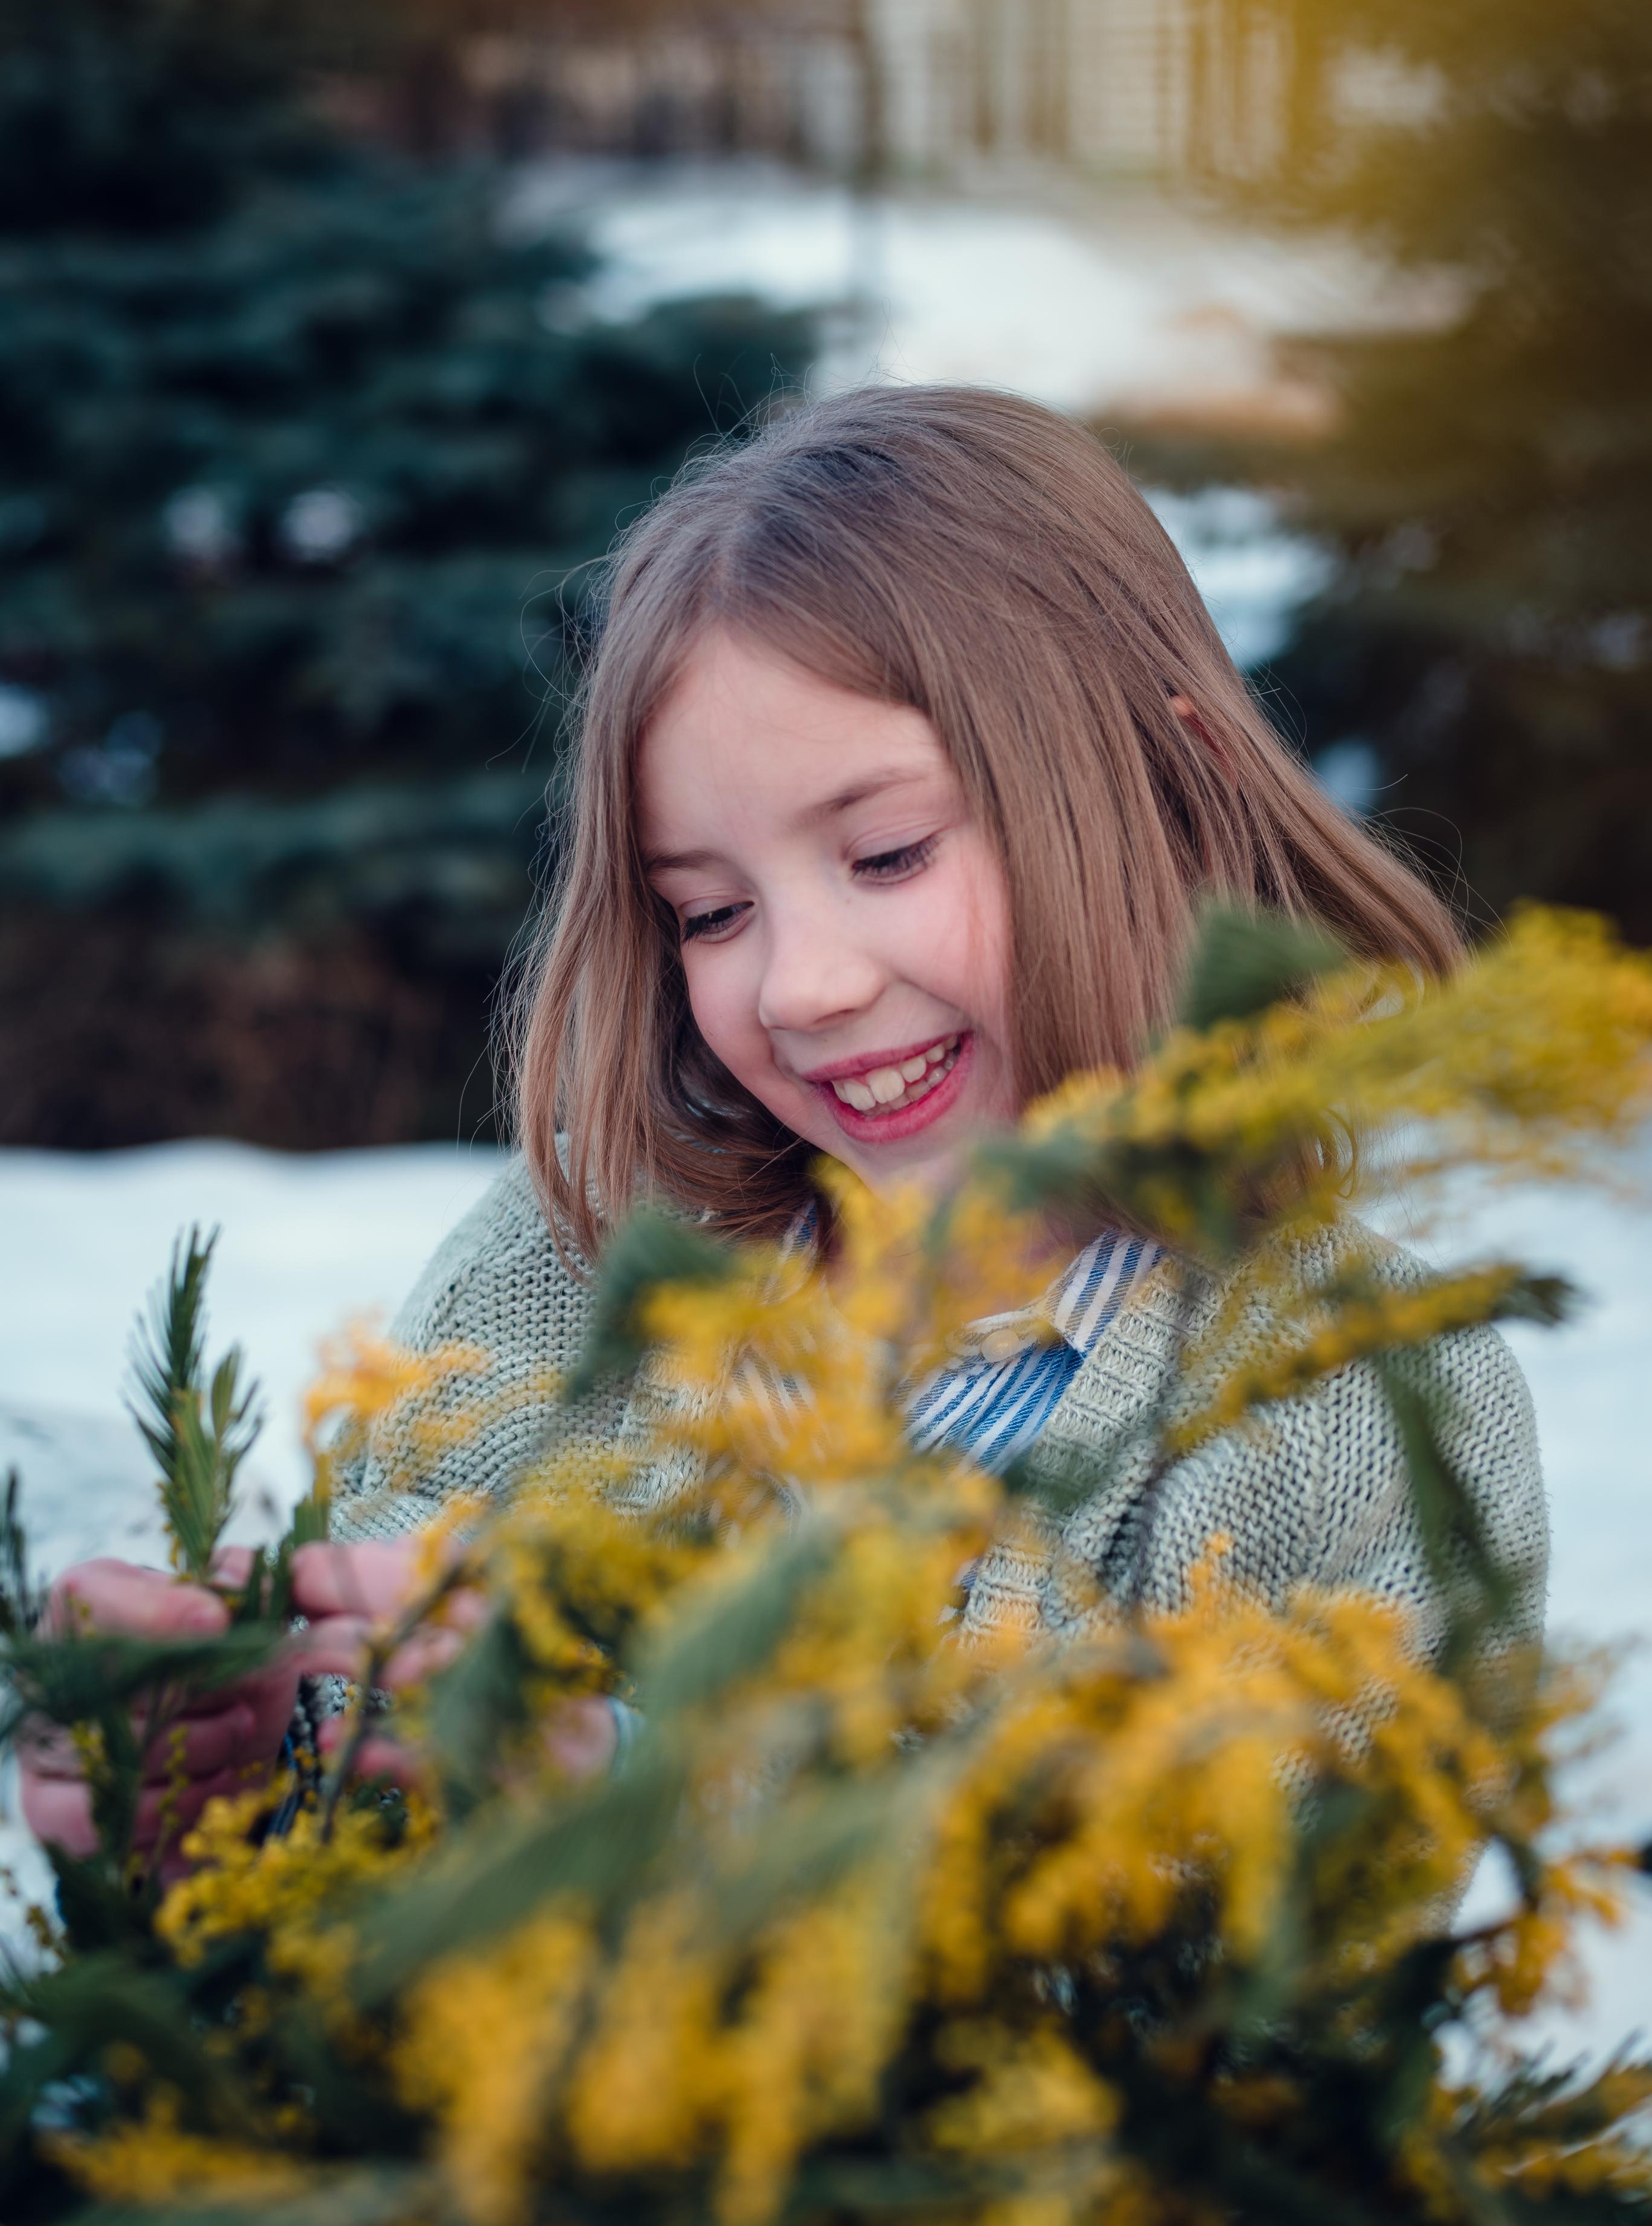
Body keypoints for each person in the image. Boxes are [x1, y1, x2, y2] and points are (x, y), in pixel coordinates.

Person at [20, 385, 1547, 1867]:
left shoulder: (1368, 1396)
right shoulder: (557, 1278)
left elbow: (1246, 1952)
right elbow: (375, 1752)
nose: (801, 987)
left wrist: (640, 1787)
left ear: (1172, 784)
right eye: (710, 910)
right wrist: (238, 1764)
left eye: (884, 852)